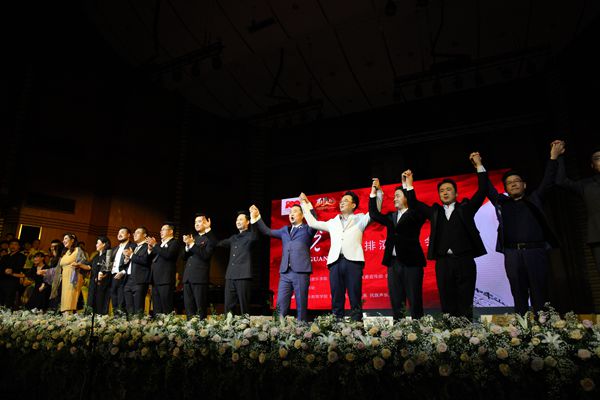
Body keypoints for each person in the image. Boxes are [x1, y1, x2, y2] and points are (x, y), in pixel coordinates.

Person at [403, 152, 487, 320]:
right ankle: (450, 333)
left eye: (449, 190)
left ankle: (467, 334)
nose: (445, 193)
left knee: (465, 301)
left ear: (456, 194)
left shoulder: (465, 209)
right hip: (443, 263)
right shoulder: (435, 212)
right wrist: (409, 184)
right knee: (447, 303)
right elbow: (414, 204)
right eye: (442, 191)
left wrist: (478, 165)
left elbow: (482, 191)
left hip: (464, 260)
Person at [482, 142, 561, 315]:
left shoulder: (535, 199)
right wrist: (479, 166)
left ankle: (542, 326)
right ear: (505, 188)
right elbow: (487, 188)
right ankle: (522, 327)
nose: (513, 184)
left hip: (535, 252)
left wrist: (553, 157)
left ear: (524, 185)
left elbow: (548, 181)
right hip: (512, 254)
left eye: (517, 181)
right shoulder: (502, 203)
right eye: (509, 183)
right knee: (518, 293)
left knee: (540, 293)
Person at [299, 186, 382, 321]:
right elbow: (313, 223)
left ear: (353, 205)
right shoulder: (333, 222)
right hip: (335, 262)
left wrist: (376, 192)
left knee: (355, 296)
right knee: (336, 297)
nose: (342, 203)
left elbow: (375, 211)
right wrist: (305, 204)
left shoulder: (360, 219)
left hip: (353, 262)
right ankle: (337, 325)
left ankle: (357, 326)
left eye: (346, 201)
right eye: (341, 201)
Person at [368, 178, 427, 319]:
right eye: (394, 196)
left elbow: (414, 205)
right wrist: (374, 192)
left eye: (398, 196)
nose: (394, 199)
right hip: (393, 263)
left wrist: (407, 185)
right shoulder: (391, 216)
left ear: (406, 198)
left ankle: (419, 328)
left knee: (414, 299)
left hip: (412, 263)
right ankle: (398, 330)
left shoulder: (415, 214)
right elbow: (374, 214)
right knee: (396, 300)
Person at [250, 203, 317, 322]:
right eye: (290, 212)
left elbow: (314, 220)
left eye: (295, 211)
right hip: (285, 272)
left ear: (302, 215)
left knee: (301, 304)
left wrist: (307, 204)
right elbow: (267, 231)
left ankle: (302, 328)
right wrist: (257, 217)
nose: (291, 214)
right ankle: (278, 328)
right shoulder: (284, 230)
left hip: (301, 271)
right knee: (280, 303)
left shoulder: (308, 229)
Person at [556, 142, 600, 275]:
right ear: (592, 165)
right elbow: (561, 181)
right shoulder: (586, 185)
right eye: (597, 158)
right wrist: (559, 157)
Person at [218, 211, 260, 315]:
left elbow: (255, 236)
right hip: (230, 275)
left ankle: (245, 325)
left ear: (247, 222)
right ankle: (228, 324)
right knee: (228, 306)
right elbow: (219, 243)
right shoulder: (233, 238)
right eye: (237, 220)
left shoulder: (250, 235)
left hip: (243, 276)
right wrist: (208, 231)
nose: (238, 221)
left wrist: (254, 219)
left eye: (241, 219)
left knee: (244, 306)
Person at [182, 213, 217, 319]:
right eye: (195, 222)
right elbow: (183, 257)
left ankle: (201, 328)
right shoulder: (194, 238)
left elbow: (205, 256)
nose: (196, 224)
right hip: (187, 277)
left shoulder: (209, 238)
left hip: (199, 278)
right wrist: (187, 245)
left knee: (200, 308)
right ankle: (189, 327)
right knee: (189, 309)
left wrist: (192, 244)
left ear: (206, 223)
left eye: (199, 221)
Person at [147, 223, 181, 314]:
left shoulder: (174, 242)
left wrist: (155, 245)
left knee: (166, 306)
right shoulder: (159, 244)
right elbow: (150, 259)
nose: (161, 232)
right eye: (161, 230)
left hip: (166, 279)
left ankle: (168, 323)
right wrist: (150, 249)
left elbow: (168, 255)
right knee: (157, 308)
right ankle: (158, 323)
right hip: (155, 279)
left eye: (163, 229)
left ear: (171, 231)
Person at [59, 233, 90, 313]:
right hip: (65, 279)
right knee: (65, 300)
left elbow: (84, 263)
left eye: (66, 238)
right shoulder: (66, 252)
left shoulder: (78, 250)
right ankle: (66, 317)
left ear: (72, 240)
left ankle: (69, 317)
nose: (63, 241)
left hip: (74, 279)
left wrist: (77, 264)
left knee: (70, 300)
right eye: (63, 239)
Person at [123, 227, 151, 315]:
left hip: (140, 280)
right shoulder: (134, 247)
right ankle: (130, 322)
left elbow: (145, 261)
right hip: (129, 279)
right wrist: (126, 259)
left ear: (145, 235)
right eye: (134, 233)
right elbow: (131, 262)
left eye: (138, 232)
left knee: (138, 308)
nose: (134, 234)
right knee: (129, 308)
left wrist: (131, 255)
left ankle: (138, 323)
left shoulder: (148, 246)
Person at [110, 227, 135, 313]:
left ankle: (121, 319)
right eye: (118, 233)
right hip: (113, 276)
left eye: (122, 232)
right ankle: (115, 318)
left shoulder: (132, 246)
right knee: (114, 299)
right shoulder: (115, 248)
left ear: (128, 235)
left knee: (122, 301)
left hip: (124, 277)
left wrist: (123, 272)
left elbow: (133, 263)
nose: (119, 234)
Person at [86, 236, 112, 315]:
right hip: (93, 283)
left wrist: (102, 274)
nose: (96, 245)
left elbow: (107, 270)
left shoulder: (108, 255)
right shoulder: (96, 256)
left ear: (103, 244)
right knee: (91, 301)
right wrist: (79, 264)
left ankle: (100, 318)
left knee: (100, 302)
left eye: (98, 243)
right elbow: (89, 266)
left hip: (102, 284)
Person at [0, 239, 26, 308]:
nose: (13, 246)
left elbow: (20, 267)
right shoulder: (5, 256)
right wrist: (4, 270)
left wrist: (11, 270)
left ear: (19, 246)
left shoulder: (22, 256)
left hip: (13, 280)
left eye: (15, 244)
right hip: (2, 279)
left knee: (9, 301)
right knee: (1, 299)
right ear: (9, 246)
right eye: (11, 244)